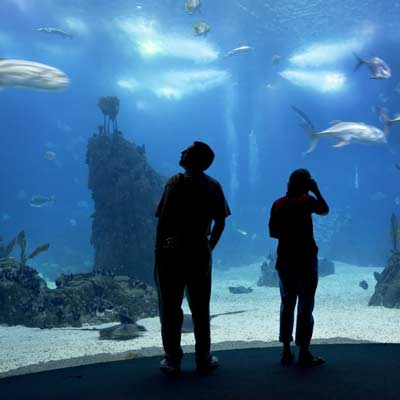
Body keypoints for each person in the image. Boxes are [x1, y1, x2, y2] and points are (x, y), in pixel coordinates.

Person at [154, 141, 231, 375]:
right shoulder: (213, 185)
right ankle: (203, 357)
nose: (181, 152)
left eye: (186, 150)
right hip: (200, 251)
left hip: (172, 253)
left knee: (170, 307)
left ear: (196, 159)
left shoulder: (174, 183)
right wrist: (209, 247)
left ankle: (173, 359)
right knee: (200, 308)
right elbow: (221, 222)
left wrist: (160, 252)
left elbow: (163, 222)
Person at [269, 169, 329, 367]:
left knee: (287, 303)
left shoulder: (278, 203)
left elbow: (273, 232)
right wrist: (316, 190)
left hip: (285, 259)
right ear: (306, 184)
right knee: (306, 303)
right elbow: (325, 210)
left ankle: (286, 350)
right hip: (306, 259)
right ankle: (304, 351)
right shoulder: (307, 201)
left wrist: (289, 235)